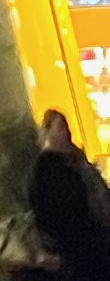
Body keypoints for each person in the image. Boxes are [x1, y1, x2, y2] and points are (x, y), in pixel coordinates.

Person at [31, 109, 110, 281]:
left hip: (92, 240)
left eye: (66, 128)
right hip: (77, 247)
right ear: (48, 131)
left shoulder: (73, 160)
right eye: (60, 128)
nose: (66, 133)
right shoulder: (47, 169)